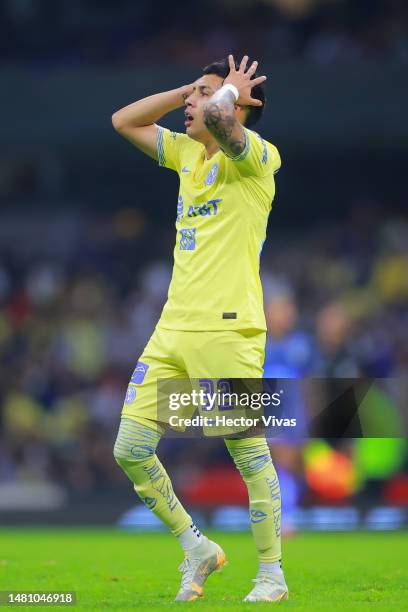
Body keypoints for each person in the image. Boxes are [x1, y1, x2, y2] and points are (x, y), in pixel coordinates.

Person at [111, 54, 287, 603]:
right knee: (130, 448)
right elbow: (124, 121)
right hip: (172, 329)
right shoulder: (188, 154)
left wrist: (223, 97)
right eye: (195, 93)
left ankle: (271, 575)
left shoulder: (256, 160)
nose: (194, 103)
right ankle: (196, 546)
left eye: (204, 94)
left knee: (246, 449)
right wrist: (190, 87)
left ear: (238, 105)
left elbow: (223, 125)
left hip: (229, 330)